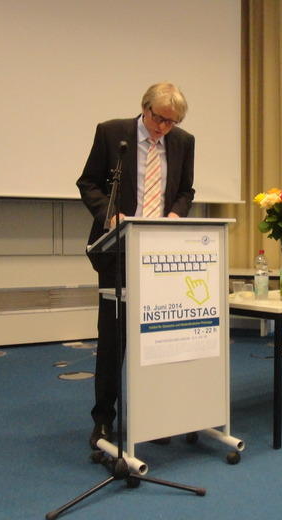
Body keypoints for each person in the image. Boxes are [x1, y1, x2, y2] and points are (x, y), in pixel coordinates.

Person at [76, 82, 195, 449]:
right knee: (114, 340)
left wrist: (175, 215)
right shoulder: (112, 134)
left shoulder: (183, 141)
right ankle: (103, 420)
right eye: (159, 119)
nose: (163, 128)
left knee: (157, 339)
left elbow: (185, 190)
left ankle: (153, 417)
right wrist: (110, 215)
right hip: (118, 249)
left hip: (160, 254)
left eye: (171, 123)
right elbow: (88, 183)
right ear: (145, 108)